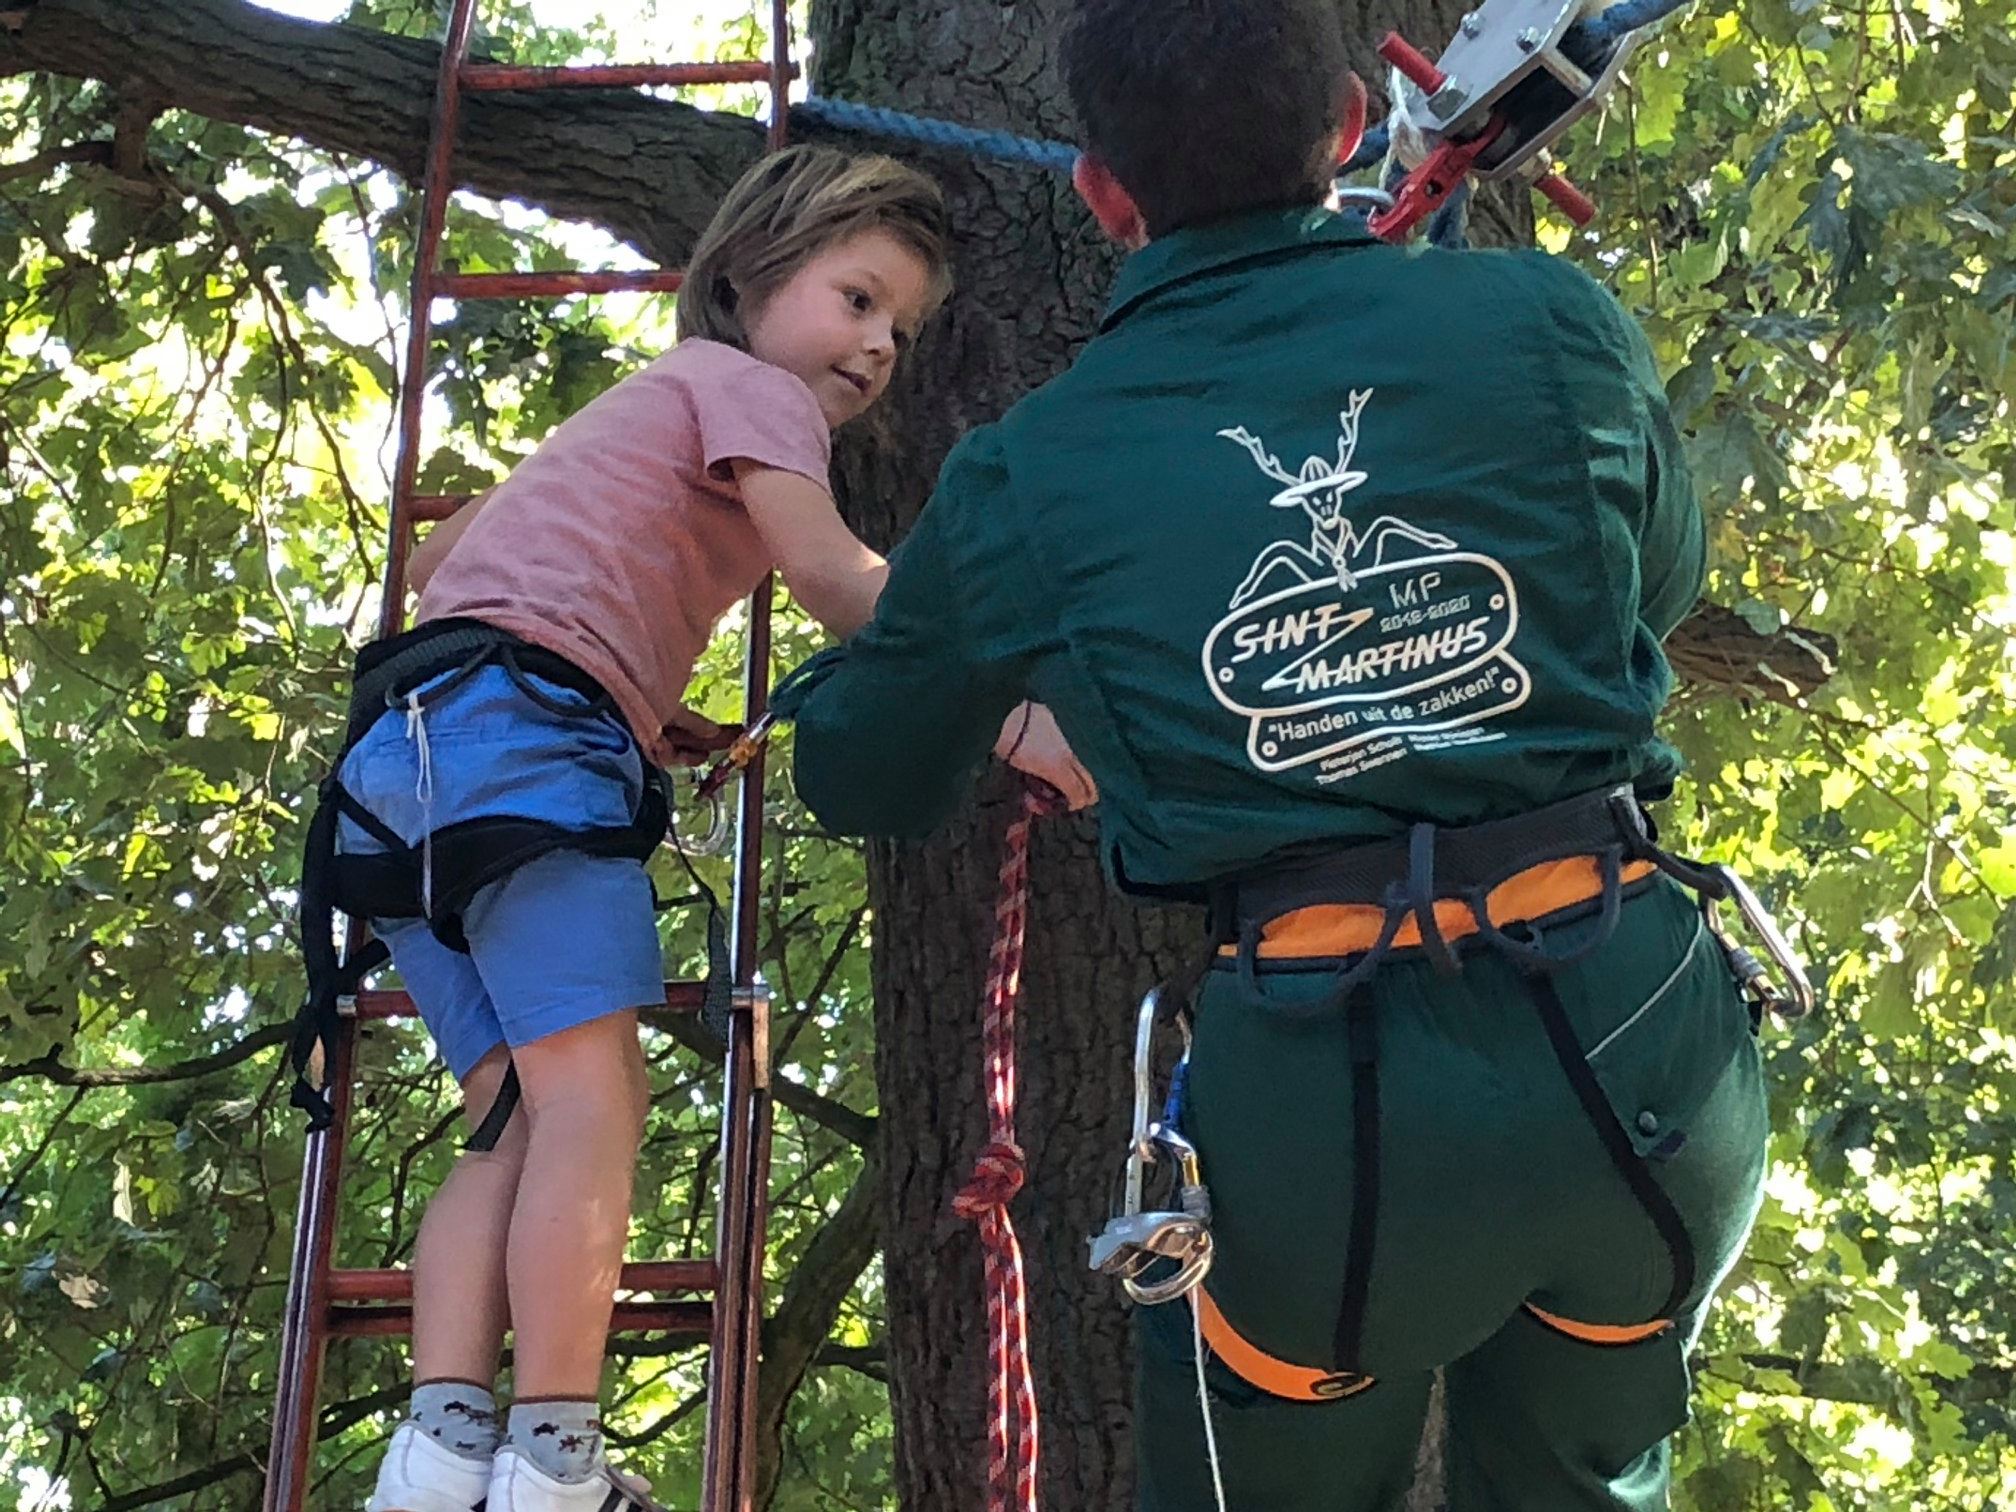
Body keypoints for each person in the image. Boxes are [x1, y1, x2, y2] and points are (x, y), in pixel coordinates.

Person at [769, 4, 1772, 1508]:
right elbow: (1663, 587)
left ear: (1102, 192)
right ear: (1355, 128)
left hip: (1329, 1107)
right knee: (1584, 1470)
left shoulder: (1035, 468)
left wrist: (857, 679)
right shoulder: (1553, 328)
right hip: (1643, 1055)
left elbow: (869, 774)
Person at [327, 145, 1087, 1512]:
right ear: (745, 278)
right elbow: (834, 577)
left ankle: (437, 1457)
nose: (877, 348)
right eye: (858, 299)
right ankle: (555, 1457)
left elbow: (443, 568)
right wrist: (997, 703)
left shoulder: (644, 403)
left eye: (900, 330)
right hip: (523, 742)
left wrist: (631, 687)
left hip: (403, 763)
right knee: (590, 1105)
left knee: (503, 1120)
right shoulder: (749, 391)